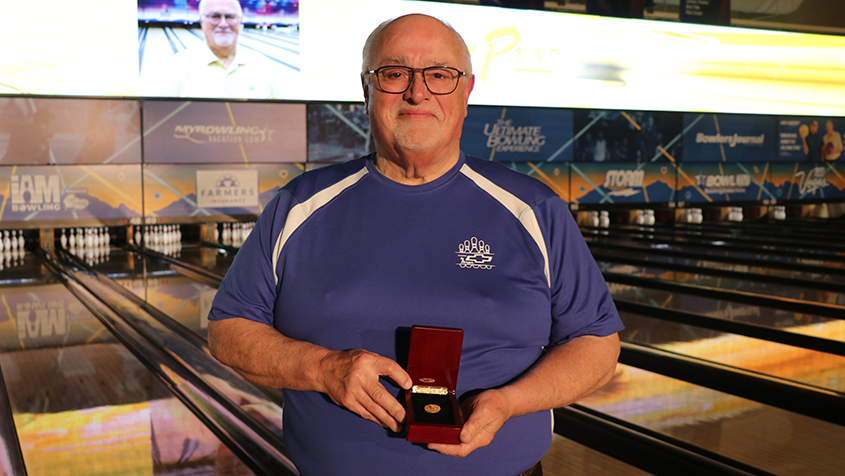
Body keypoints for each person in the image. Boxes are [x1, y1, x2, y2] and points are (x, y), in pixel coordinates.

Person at [208, 14, 622, 476]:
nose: (417, 91)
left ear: (466, 93)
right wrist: (323, 367)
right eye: (394, 73)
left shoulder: (533, 209)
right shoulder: (299, 204)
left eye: (439, 75)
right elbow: (228, 333)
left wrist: (509, 402)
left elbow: (597, 344)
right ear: (366, 91)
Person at [142, 0, 296, 99]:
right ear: (202, 20)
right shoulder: (174, 67)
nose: (223, 24)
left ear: (240, 21)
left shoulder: (266, 66)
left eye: (230, 17)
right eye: (214, 16)